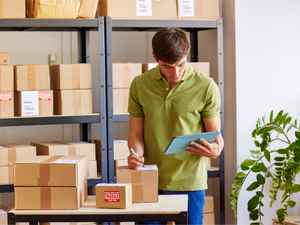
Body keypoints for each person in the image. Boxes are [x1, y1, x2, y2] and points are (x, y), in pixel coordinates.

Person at [127, 28, 224, 225]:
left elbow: (215, 137)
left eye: (180, 65)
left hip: (191, 181)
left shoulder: (206, 86)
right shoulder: (139, 85)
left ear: (187, 54)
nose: (175, 73)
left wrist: (215, 150)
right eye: (167, 67)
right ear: (155, 58)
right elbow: (136, 133)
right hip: (150, 179)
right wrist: (135, 155)